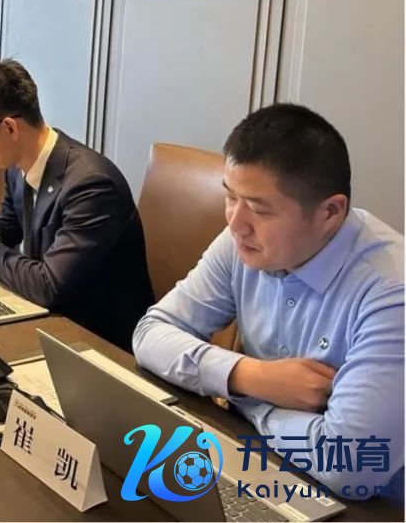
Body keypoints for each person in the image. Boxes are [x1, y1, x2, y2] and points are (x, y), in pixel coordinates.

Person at [132, 104, 403, 501]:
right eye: (230, 197)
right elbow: (150, 333)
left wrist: (247, 402)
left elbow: (349, 464)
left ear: (330, 212)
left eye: (259, 209)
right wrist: (252, 376)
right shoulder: (243, 242)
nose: (235, 223)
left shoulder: (391, 294)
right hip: (262, 467)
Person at [0, 59, 153, 351]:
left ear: (10, 128)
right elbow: (7, 225)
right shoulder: (18, 167)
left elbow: (51, 285)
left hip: (97, 342)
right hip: (49, 319)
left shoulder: (92, 185)